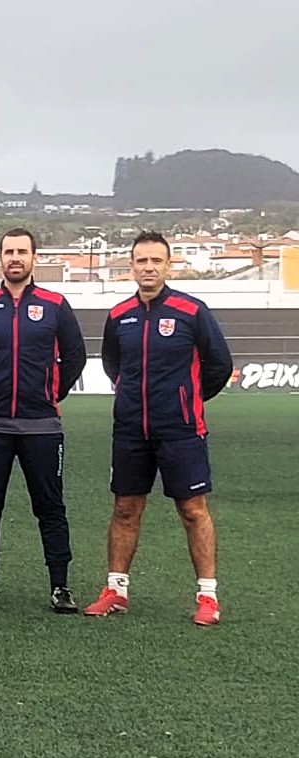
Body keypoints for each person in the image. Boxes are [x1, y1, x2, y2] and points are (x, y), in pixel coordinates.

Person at [87, 231, 233, 626]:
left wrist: (187, 401)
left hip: (181, 429)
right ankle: (116, 590)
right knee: (125, 508)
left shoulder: (192, 311)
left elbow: (219, 364)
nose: (148, 267)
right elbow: (113, 366)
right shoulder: (119, 316)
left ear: (168, 266)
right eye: (141, 261)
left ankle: (207, 596)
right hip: (132, 430)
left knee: (192, 510)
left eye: (156, 261)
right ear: (131, 265)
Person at [0, 227, 87, 611]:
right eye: (8, 251)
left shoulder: (55, 305)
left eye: (22, 251)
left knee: (50, 507)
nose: (15, 257)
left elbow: (75, 357)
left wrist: (49, 395)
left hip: (42, 427)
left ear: (34, 257)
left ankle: (60, 587)